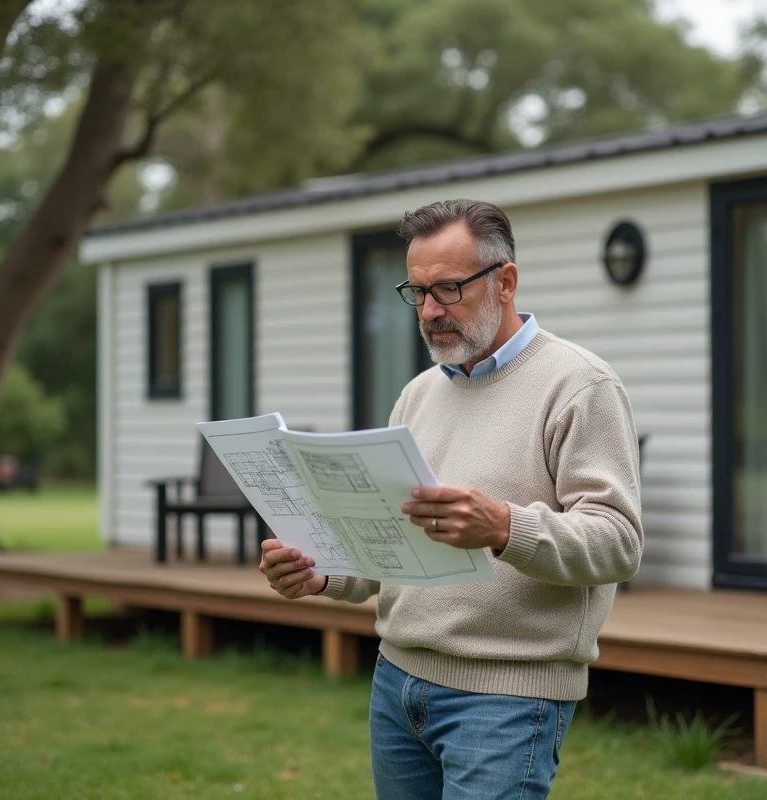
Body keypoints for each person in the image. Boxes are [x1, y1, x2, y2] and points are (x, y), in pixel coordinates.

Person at [260, 199, 643, 799]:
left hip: (508, 698)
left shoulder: (579, 386)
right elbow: (391, 550)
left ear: (506, 281)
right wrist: (322, 574)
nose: (430, 311)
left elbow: (619, 542)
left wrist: (503, 527)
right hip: (397, 683)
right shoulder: (417, 396)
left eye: (446, 289)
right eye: (417, 293)